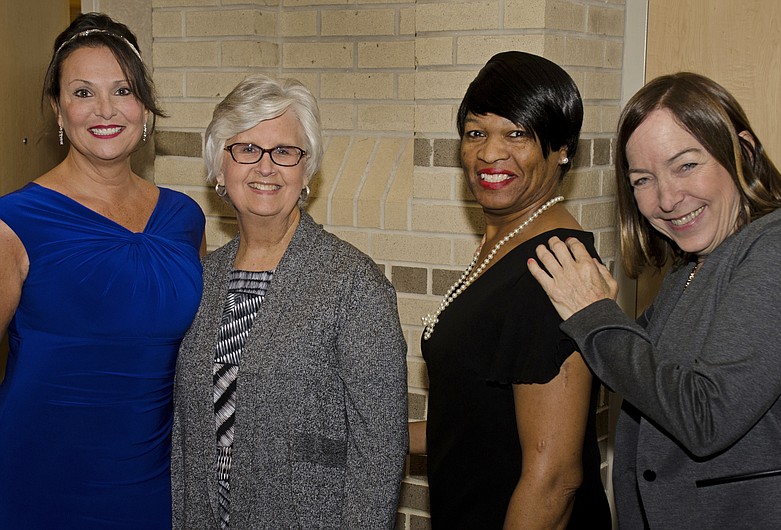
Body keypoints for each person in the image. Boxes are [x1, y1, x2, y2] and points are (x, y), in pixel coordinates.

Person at [528, 72, 781, 528]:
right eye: (643, 180)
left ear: (744, 154)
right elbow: (648, 381)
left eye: (686, 165)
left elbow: (704, 416)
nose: (668, 198)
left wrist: (596, 317)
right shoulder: (689, 269)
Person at [171, 74, 408, 529]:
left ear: (306, 171)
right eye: (246, 149)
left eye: (284, 152)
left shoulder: (352, 284)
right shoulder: (200, 279)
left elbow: (378, 450)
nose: (266, 167)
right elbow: (185, 433)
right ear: (220, 168)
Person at [0, 12, 205, 530]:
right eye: (83, 93)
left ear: (145, 106)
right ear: (58, 110)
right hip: (38, 475)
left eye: (122, 90)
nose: (106, 110)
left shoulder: (185, 218)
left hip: (154, 476)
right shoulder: (15, 221)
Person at [409, 51, 611, 528]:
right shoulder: (504, 244)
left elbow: (555, 480)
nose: (489, 153)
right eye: (476, 132)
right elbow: (476, 425)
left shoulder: (554, 266)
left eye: (516, 133)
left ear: (562, 148)